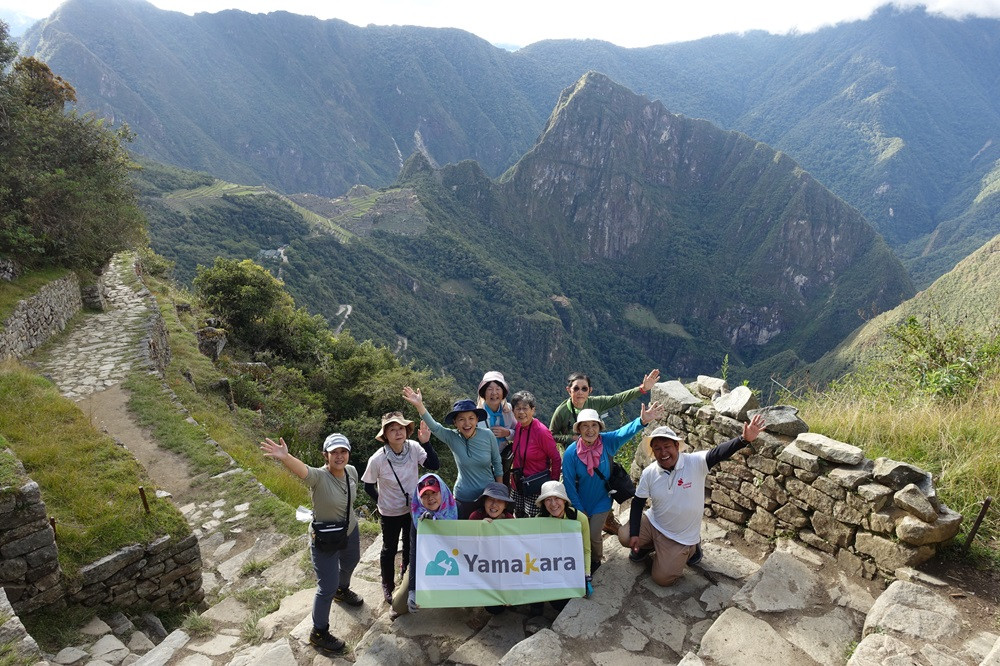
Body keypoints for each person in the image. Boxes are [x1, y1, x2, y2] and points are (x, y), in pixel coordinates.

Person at [619, 414, 766, 586]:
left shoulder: (695, 462)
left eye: (667, 446)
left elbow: (718, 453)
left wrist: (743, 440)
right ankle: (647, 546)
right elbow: (638, 503)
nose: (663, 452)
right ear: (653, 452)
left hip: (680, 536)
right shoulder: (650, 473)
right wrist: (635, 533)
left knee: (662, 579)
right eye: (657, 448)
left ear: (677, 446)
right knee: (625, 536)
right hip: (654, 523)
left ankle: (692, 549)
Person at [260, 433, 363, 655]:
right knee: (326, 586)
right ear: (325, 455)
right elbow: (302, 470)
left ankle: (342, 590)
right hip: (325, 538)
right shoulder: (318, 477)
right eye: (333, 452)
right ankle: (318, 633)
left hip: (350, 531)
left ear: (348, 453)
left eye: (343, 451)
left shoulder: (352, 472)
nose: (339, 456)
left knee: (351, 561)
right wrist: (285, 457)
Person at [562, 402, 665, 573]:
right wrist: (579, 509)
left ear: (599, 427)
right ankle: (579, 560)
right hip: (580, 501)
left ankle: (595, 562)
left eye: (594, 425)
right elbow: (569, 483)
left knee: (594, 534)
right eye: (585, 426)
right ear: (578, 430)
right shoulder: (571, 453)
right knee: (580, 532)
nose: (590, 430)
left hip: (602, 500)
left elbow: (624, 432)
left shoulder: (607, 442)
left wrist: (642, 421)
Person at [361, 411, 439, 604]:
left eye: (401, 428)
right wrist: (381, 501)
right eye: (392, 429)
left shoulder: (413, 448)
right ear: (385, 435)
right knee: (389, 548)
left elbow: (434, 465)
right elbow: (368, 485)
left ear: (407, 431)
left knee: (410, 544)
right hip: (389, 512)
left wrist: (427, 442)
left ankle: (405, 577)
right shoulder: (377, 459)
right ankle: (387, 583)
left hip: (413, 508)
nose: (398, 433)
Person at [402, 386, 503, 518]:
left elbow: (497, 462)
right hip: (463, 497)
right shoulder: (452, 437)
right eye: (461, 419)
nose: (467, 423)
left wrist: (499, 492)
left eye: (471, 418)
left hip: (487, 497)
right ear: (455, 422)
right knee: (463, 534)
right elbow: (435, 427)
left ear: (477, 419)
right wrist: (419, 405)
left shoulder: (487, 435)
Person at [391, 473, 459, 616]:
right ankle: (403, 583)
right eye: (425, 495)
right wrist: (412, 590)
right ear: (419, 498)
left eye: (434, 492)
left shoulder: (458, 510)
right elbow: (414, 553)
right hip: (426, 562)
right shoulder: (418, 519)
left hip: (455, 562)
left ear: (442, 491)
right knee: (398, 606)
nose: (430, 498)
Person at [548, 369, 661, 447]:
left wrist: (642, 388)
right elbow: (551, 435)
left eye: (584, 389)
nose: (580, 392)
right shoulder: (562, 411)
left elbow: (618, 398)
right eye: (576, 388)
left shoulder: (596, 403)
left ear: (590, 390)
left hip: (594, 449)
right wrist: (570, 438)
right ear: (569, 390)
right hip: (572, 453)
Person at [534, 480, 592, 612]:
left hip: (572, 566)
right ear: (543, 503)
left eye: (557, 498)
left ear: (564, 500)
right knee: (559, 605)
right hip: (550, 568)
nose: (553, 504)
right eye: (548, 499)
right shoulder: (538, 521)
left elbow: (586, 550)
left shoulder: (579, 518)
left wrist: (586, 573)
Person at [508, 390, 561, 517]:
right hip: (518, 484)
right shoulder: (519, 427)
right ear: (513, 411)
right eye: (518, 408)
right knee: (518, 517)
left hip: (536, 487)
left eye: (525, 408)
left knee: (533, 521)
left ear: (533, 410)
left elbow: (556, 458)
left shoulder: (541, 432)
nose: (521, 412)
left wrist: (552, 487)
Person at [476, 371, 517, 481]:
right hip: (483, 465)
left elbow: (519, 432)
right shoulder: (476, 415)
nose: (494, 393)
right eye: (489, 389)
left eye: (498, 389)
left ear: (503, 392)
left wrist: (507, 433)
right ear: (484, 393)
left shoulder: (509, 410)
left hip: (504, 462)